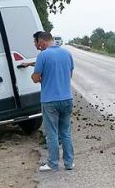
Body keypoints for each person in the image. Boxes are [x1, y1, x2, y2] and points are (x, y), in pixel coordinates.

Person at [31, 31, 74, 172]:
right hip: (67, 99)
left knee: (52, 134)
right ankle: (69, 163)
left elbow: (36, 78)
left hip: (50, 101)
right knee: (65, 132)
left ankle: (53, 163)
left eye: (36, 43)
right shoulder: (67, 54)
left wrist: (39, 76)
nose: (36, 46)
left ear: (42, 41)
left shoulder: (43, 56)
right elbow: (70, 74)